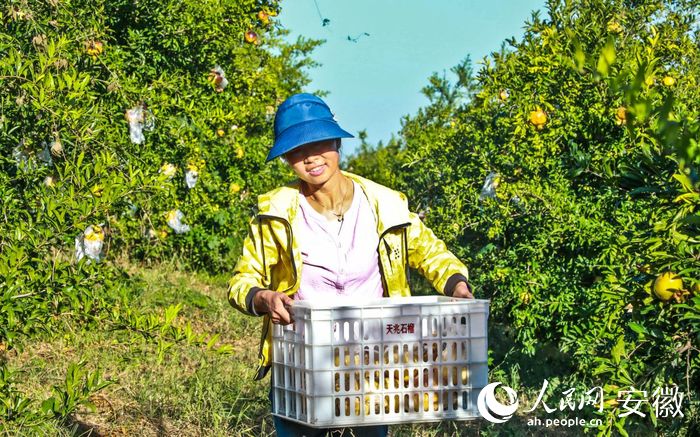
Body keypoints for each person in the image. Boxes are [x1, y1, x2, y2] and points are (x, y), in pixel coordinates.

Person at [227, 93, 473, 437]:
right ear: (286, 159)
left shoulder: (384, 204)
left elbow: (429, 252)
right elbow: (242, 281)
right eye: (296, 150)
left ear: (336, 141)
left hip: (373, 357)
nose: (310, 157)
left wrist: (456, 283)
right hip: (302, 359)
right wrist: (264, 298)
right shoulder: (277, 213)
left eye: (317, 143)